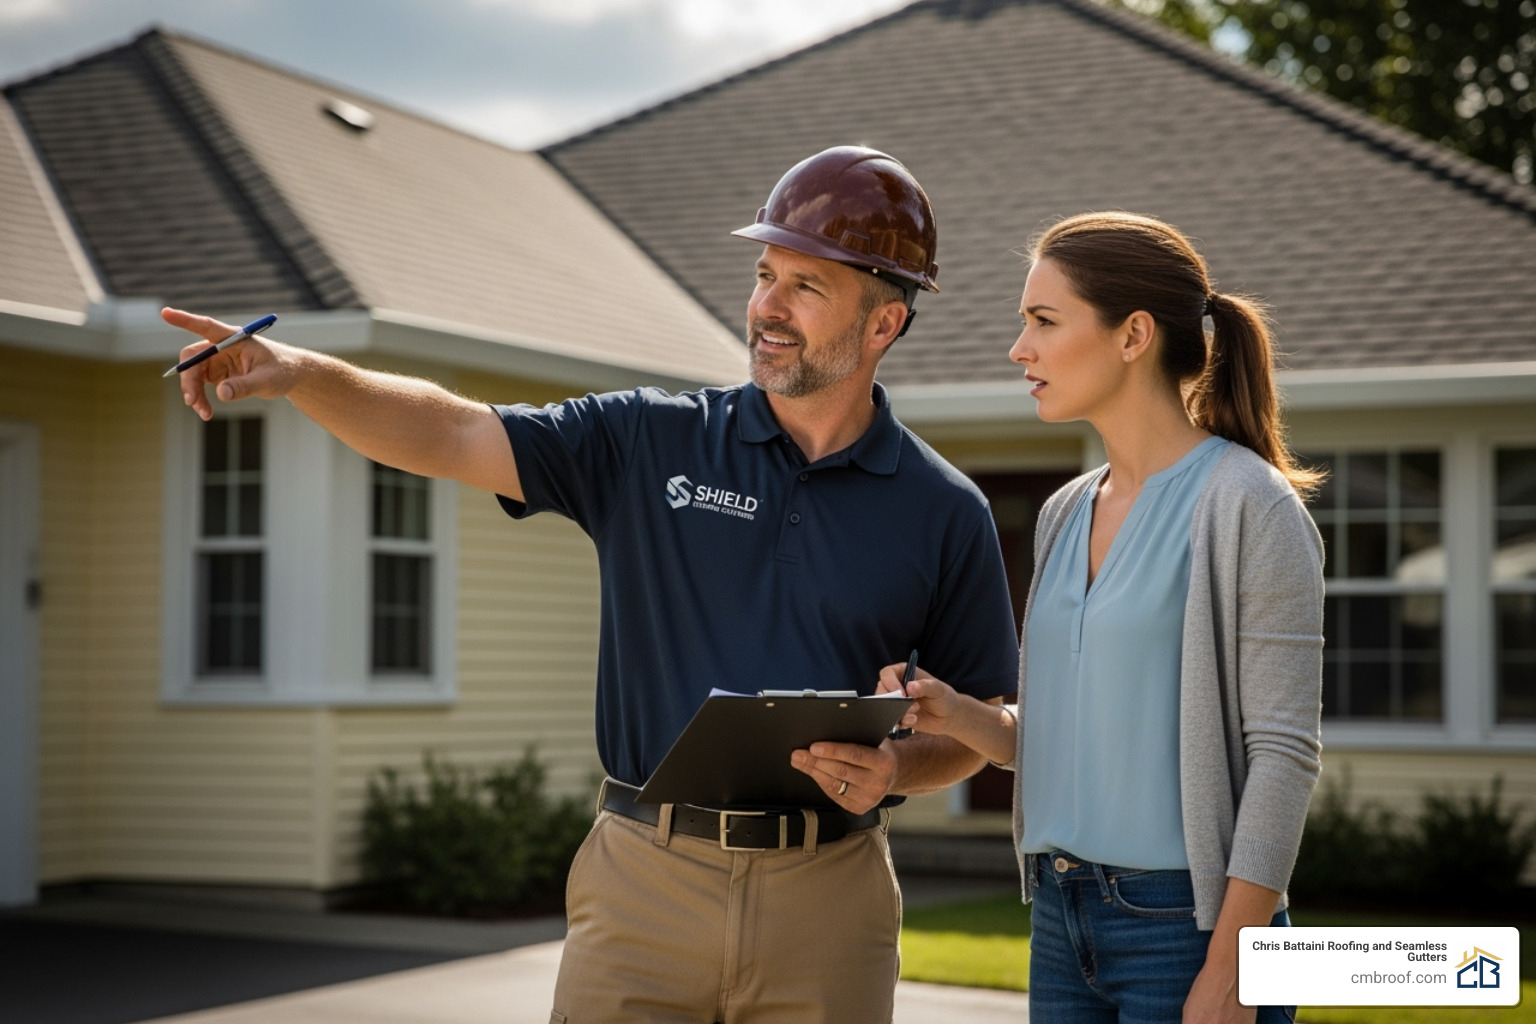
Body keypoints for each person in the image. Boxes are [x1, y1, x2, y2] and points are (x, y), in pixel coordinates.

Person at [165, 146, 1020, 1024]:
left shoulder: (944, 509)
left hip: (830, 899)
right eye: (766, 273)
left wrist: (894, 768)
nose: (767, 304)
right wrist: (309, 374)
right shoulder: (646, 441)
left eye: (807, 287)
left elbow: (977, 727)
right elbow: (456, 435)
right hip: (644, 884)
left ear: (882, 325)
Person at [878, 212, 1324, 1023]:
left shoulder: (1248, 506)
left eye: (1044, 322)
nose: (1021, 349)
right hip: (1060, 917)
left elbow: (1284, 755)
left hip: (1189, 930)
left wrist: (1231, 968)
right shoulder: (1063, 512)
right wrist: (961, 714)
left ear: (1134, 336)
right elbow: (1059, 741)